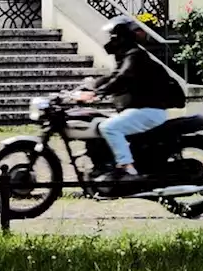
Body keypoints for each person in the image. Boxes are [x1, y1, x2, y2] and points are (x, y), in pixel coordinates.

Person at [74, 15, 185, 181]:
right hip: (140, 110)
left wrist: (97, 93)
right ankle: (105, 166)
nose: (110, 40)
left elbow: (122, 77)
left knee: (109, 128)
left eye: (113, 36)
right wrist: (86, 88)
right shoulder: (127, 55)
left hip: (148, 111)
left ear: (120, 36)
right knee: (98, 123)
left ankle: (127, 169)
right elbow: (113, 76)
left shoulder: (135, 55)